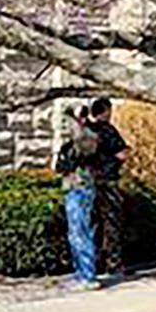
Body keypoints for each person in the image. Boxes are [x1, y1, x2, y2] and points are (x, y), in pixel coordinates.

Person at [52, 102, 105, 289]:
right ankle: (81, 273)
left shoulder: (89, 137)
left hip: (82, 188)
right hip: (72, 188)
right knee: (74, 233)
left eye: (81, 116)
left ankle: (88, 276)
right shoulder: (73, 140)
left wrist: (73, 117)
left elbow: (81, 140)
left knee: (81, 231)